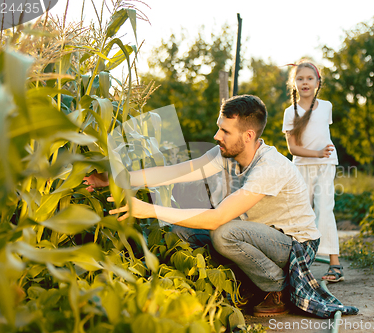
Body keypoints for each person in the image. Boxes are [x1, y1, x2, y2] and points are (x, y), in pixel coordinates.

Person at [85, 95, 357, 317]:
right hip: (259, 234)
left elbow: (219, 219)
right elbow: (173, 172)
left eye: (225, 131)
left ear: (248, 135)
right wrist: (111, 180)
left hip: (295, 244)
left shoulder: (270, 167)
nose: (217, 135)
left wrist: (148, 210)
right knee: (181, 231)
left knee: (224, 233)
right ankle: (249, 282)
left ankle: (279, 288)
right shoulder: (225, 154)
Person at [282, 60, 343, 283]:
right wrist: (316, 153)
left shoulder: (326, 107)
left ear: (318, 82)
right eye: (300, 78)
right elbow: (293, 148)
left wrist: (321, 156)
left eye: (309, 78)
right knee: (301, 213)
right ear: (294, 83)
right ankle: (301, 263)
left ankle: (335, 263)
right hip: (301, 166)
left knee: (325, 209)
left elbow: (322, 134)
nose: (305, 82)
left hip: (326, 164)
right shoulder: (290, 112)